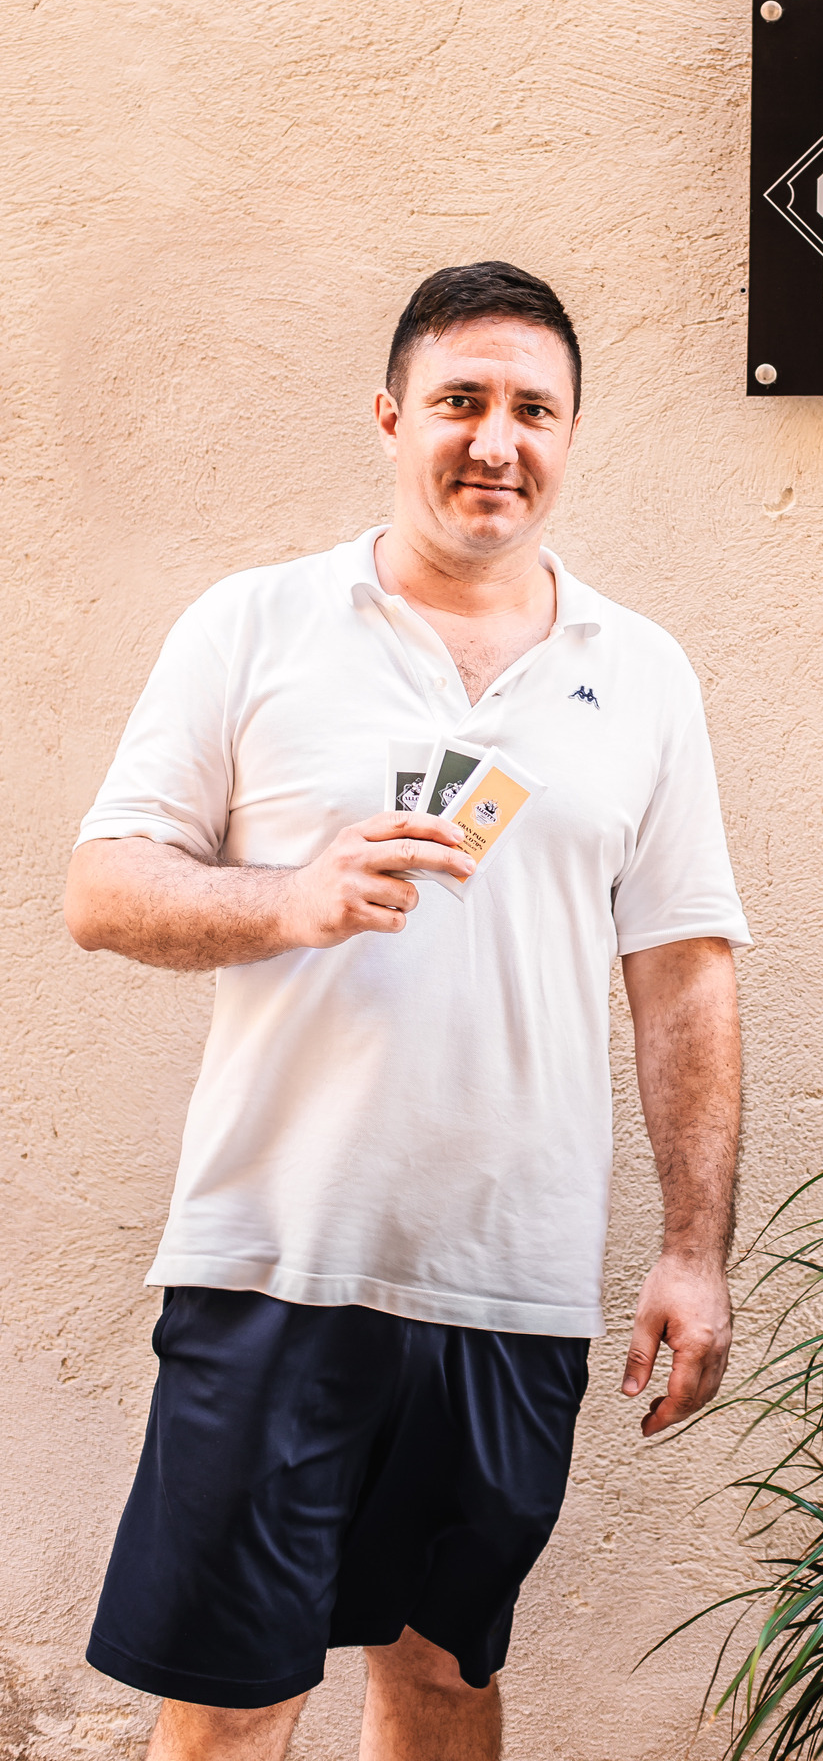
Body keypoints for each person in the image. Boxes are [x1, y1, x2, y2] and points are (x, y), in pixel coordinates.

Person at [64, 261, 750, 1761]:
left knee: (442, 1678)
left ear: (572, 435)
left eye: (533, 410)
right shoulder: (254, 625)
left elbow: (684, 968)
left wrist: (693, 1251)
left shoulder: (640, 672)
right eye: (460, 402)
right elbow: (102, 889)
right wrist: (290, 900)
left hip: (514, 1284)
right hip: (274, 1261)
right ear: (391, 418)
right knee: (236, 1697)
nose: (495, 441)